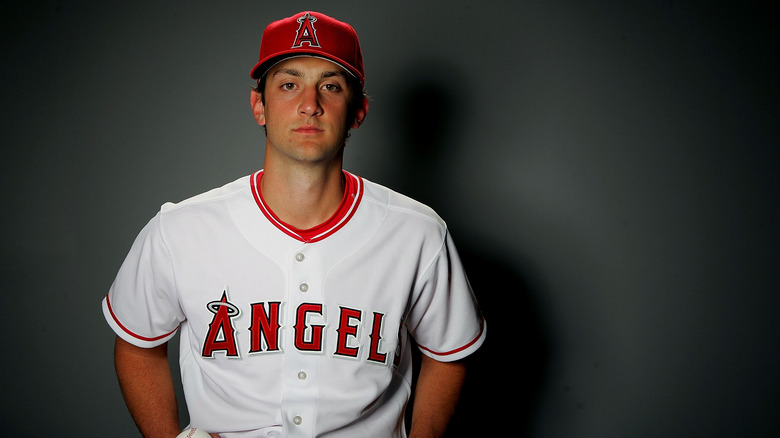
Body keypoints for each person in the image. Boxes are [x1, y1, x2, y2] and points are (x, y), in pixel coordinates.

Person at [103, 10, 486, 438]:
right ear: (258, 106)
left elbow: (449, 353)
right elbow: (137, 346)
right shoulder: (181, 229)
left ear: (358, 111)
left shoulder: (418, 232)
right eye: (289, 84)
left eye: (330, 86)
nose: (310, 104)